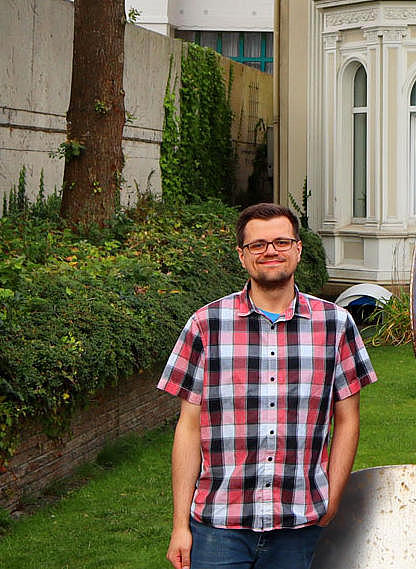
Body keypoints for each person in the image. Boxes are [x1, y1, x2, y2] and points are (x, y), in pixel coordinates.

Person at [159, 203, 377, 569]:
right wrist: (180, 525)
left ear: (298, 249)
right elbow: (189, 427)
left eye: (281, 241)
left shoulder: (336, 325)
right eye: (258, 245)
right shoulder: (206, 325)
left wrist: (333, 496)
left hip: (298, 522)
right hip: (218, 524)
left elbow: (348, 419)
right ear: (242, 256)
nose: (271, 251)